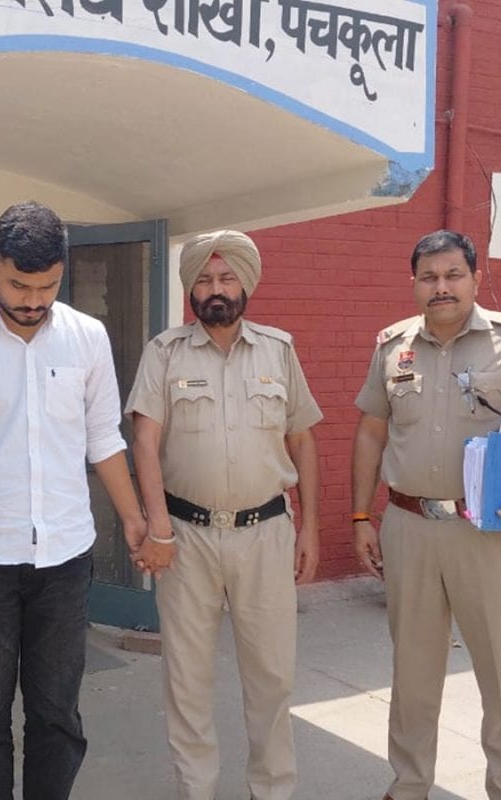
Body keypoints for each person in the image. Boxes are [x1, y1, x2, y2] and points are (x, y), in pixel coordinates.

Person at [0, 200, 147, 800]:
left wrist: (134, 519)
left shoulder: (87, 338)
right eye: (20, 285)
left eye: (47, 287)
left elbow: (104, 438)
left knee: (57, 714)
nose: (33, 301)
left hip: (65, 559)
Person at [350, 229, 501, 800]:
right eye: (429, 277)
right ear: (414, 283)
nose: (441, 287)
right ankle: (409, 784)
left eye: (453, 274)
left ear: (476, 278)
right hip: (409, 525)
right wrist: (361, 516)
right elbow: (371, 431)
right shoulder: (392, 346)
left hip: (491, 531)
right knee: (412, 670)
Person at [124, 230, 322, 800]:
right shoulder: (165, 352)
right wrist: (158, 527)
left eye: (226, 278)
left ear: (244, 285)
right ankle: (197, 792)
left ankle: (272, 790)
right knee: (186, 680)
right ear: (191, 289)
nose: (216, 289)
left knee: (272, 677)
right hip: (186, 538)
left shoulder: (279, 350)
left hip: (266, 534)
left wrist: (311, 527)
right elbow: (145, 441)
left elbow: (302, 440)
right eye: (205, 280)